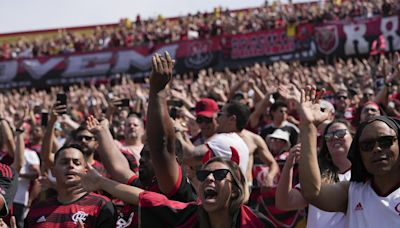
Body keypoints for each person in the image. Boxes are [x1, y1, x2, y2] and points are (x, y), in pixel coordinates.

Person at [67, 154, 275, 227]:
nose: (210, 178)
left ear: (237, 190)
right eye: (203, 176)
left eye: (220, 174)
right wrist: (101, 182)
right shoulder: (189, 214)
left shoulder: (258, 224)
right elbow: (143, 197)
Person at [297, 86, 400, 227]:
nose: (377, 149)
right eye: (367, 145)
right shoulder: (352, 192)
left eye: (385, 141)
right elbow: (312, 192)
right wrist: (308, 127)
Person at [276, 119, 353, 228]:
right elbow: (285, 202)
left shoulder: (365, 175)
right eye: (328, 136)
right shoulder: (317, 176)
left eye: (340, 133)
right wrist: (289, 166)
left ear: (353, 137)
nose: (334, 138)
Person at [25, 144, 117, 227]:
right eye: (64, 162)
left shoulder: (101, 205)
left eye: (76, 163)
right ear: (53, 171)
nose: (70, 166)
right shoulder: (37, 209)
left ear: (85, 171)